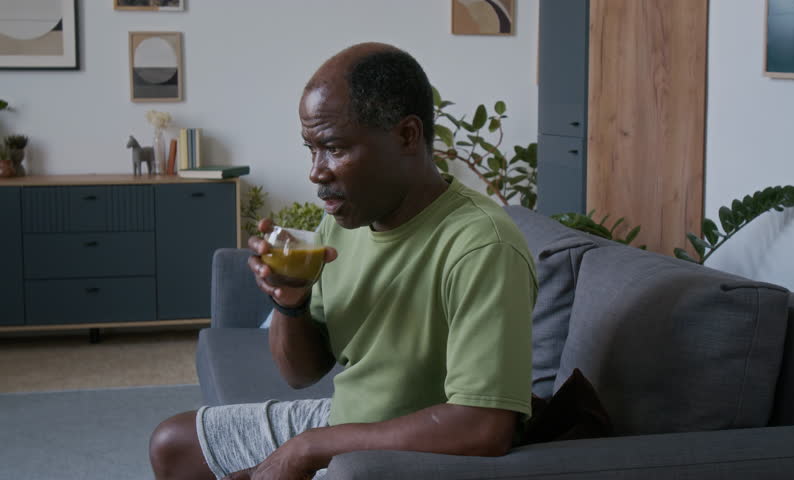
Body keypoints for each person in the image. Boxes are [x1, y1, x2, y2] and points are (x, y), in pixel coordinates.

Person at [149, 42, 537, 480]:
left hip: (415, 452)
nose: (316, 171)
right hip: (345, 420)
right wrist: (289, 300)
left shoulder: (481, 245)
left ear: (407, 136)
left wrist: (308, 448)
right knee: (174, 444)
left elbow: (484, 427)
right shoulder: (343, 224)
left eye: (333, 147)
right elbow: (300, 373)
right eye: (311, 149)